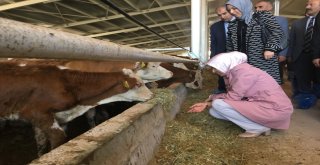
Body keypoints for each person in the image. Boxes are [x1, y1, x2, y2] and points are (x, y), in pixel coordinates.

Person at [188, 51, 293, 138]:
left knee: (217, 105)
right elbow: (234, 93)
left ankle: (257, 128)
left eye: (216, 67)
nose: (214, 71)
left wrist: (209, 103)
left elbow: (233, 97)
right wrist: (211, 98)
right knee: (214, 112)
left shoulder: (244, 74)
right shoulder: (236, 72)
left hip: (274, 109)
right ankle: (259, 124)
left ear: (226, 64)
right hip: (262, 104)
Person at [225, 0, 285, 84]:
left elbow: (277, 31)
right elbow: (230, 44)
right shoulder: (233, 24)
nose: (231, 12)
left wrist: (270, 48)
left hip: (262, 60)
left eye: (234, 8)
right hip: (241, 63)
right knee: (245, 87)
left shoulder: (262, 16)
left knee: (264, 86)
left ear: (244, 6)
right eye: (229, 10)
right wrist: (230, 59)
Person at [287, 0, 320, 108]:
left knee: (316, 81)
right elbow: (291, 41)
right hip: (301, 56)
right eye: (307, 4)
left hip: (317, 56)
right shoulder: (297, 23)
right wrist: (289, 56)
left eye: (311, 4)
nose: (307, 6)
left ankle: (314, 97)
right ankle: (305, 101)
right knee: (302, 80)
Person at [255, 0, 289, 84]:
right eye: (255, 8)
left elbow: (285, 38)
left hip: (274, 54)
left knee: (274, 80)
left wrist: (282, 54)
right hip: (257, 56)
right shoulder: (254, 21)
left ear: (270, 7)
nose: (257, 9)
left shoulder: (280, 20)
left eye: (260, 7)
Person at [210, 6, 234, 94]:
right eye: (219, 15)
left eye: (224, 14)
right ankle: (221, 89)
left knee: (237, 73)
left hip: (236, 54)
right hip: (221, 54)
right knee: (221, 73)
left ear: (231, 11)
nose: (222, 17)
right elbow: (213, 43)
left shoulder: (241, 23)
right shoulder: (214, 27)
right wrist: (213, 57)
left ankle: (236, 91)